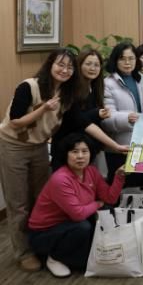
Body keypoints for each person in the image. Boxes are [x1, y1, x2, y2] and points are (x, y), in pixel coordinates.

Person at [0, 49, 78, 272]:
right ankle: (23, 252)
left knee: (41, 199)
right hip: (13, 145)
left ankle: (40, 246)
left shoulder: (67, 93)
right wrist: (44, 108)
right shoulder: (29, 86)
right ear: (50, 64)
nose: (65, 70)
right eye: (60, 64)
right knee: (19, 204)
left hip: (40, 146)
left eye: (69, 67)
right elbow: (15, 122)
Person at [28, 133, 125, 277]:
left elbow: (110, 198)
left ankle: (74, 254)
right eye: (74, 151)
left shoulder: (91, 171)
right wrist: (97, 203)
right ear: (66, 155)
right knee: (83, 227)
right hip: (45, 234)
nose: (80, 156)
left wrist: (119, 177)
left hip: (70, 223)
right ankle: (54, 257)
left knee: (106, 210)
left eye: (85, 151)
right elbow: (78, 214)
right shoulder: (60, 179)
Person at [50, 49, 129, 171]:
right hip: (68, 149)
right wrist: (115, 145)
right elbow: (80, 121)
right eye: (88, 64)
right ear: (79, 65)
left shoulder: (95, 87)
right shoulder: (71, 88)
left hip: (87, 149)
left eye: (96, 65)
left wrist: (100, 114)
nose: (92, 68)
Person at [102, 42, 143, 186]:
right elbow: (106, 117)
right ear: (115, 60)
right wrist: (127, 118)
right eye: (122, 58)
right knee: (122, 189)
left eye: (131, 58)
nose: (127, 63)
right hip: (120, 147)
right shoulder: (107, 84)